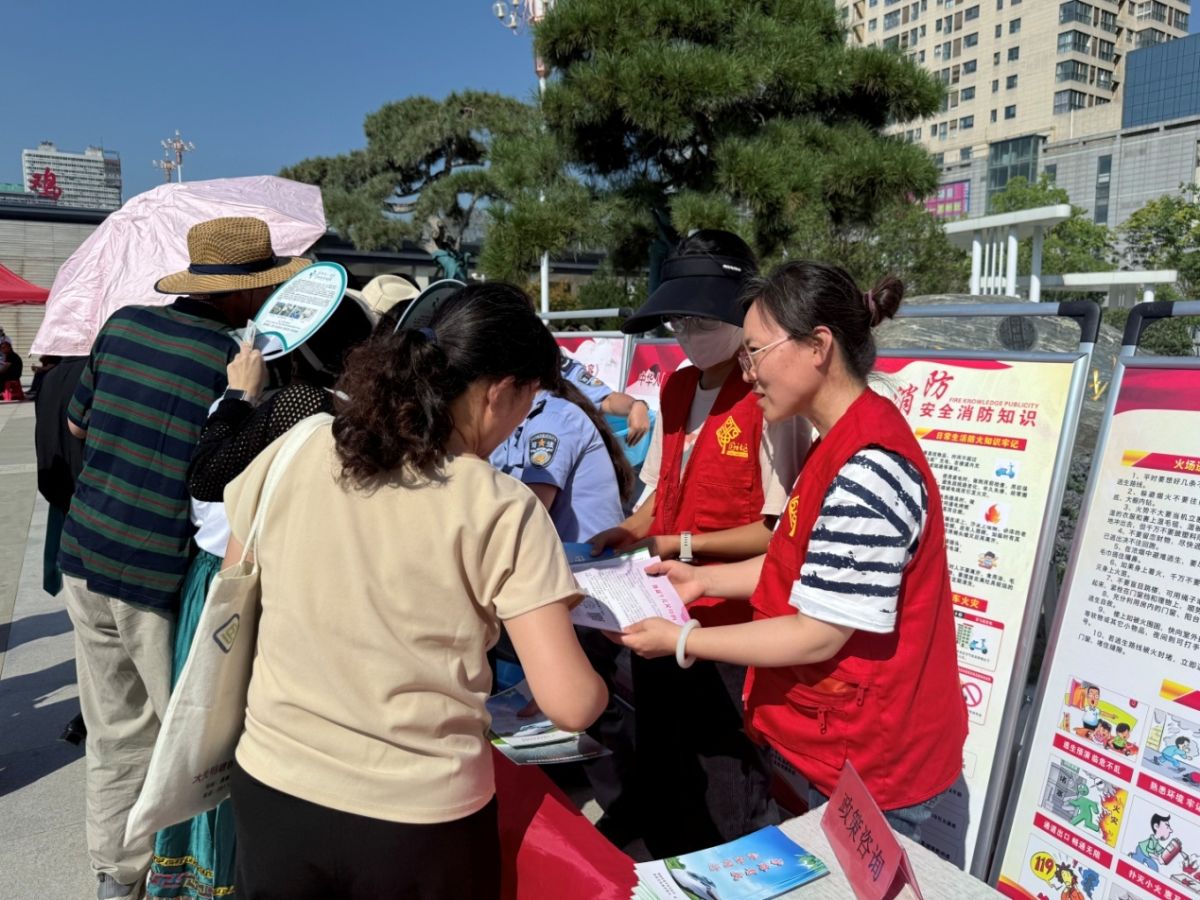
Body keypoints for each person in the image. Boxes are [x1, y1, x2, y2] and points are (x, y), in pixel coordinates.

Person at [222, 282, 607, 899]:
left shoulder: (301, 446)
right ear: (500, 391)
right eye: (529, 400)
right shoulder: (501, 506)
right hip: (419, 815)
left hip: (274, 784)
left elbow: (235, 588)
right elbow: (571, 704)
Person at [617, 261, 968, 841]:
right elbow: (796, 561)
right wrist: (703, 581)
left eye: (755, 351)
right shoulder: (838, 441)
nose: (748, 372)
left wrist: (681, 640)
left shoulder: (868, 469)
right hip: (840, 742)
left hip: (875, 762)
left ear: (818, 347)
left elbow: (818, 632)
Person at [61, 216, 310, 899]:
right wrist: (244, 398)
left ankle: (118, 878)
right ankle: (187, 879)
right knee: (190, 745)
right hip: (158, 575)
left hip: (86, 553)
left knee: (115, 734)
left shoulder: (122, 327)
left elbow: (76, 424)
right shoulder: (236, 364)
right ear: (244, 294)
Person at [147, 293, 373, 899]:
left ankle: (211, 877)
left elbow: (206, 477)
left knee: (215, 731)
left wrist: (237, 395)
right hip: (304, 589)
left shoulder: (296, 404)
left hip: (238, 582)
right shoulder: (363, 414)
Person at [590, 230, 808, 856]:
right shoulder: (677, 387)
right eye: (679, 321)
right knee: (664, 757)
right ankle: (668, 865)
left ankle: (730, 872)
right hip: (659, 607)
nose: (688, 332)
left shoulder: (769, 398)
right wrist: (627, 532)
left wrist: (679, 543)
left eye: (702, 319)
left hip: (731, 625)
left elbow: (776, 528)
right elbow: (661, 490)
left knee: (724, 773)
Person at [490, 366, 638, 844]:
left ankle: (626, 817)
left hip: (588, 588)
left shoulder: (552, 417)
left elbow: (530, 506)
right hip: (555, 582)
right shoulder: (513, 420)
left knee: (595, 706)